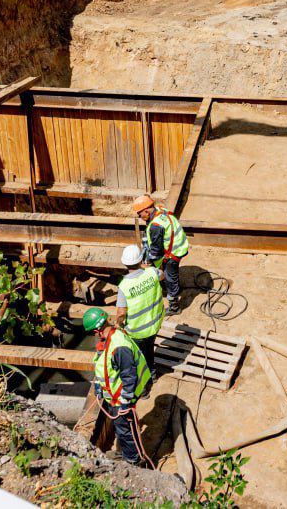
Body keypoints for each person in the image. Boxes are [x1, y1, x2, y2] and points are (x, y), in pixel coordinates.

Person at [84, 307, 152, 467]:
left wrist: (125, 403)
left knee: (125, 429)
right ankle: (127, 453)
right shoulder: (109, 339)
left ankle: (135, 461)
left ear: (97, 330)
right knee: (120, 426)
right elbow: (106, 366)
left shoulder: (119, 347)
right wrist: (100, 387)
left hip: (122, 397)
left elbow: (129, 376)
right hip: (115, 395)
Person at [133, 195, 190, 315]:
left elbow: (156, 251)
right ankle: (175, 288)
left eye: (140, 214)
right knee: (171, 273)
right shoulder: (159, 210)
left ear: (147, 211)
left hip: (173, 253)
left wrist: (149, 263)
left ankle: (175, 307)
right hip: (179, 246)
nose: (139, 217)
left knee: (170, 277)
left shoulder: (156, 226)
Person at [115, 243, 164, 372]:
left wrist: (118, 326)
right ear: (141, 260)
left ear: (125, 264)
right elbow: (162, 275)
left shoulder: (124, 286)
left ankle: (145, 376)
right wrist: (144, 266)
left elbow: (121, 313)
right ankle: (152, 372)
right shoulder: (152, 272)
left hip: (137, 331)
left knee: (139, 355)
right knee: (149, 349)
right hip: (154, 324)